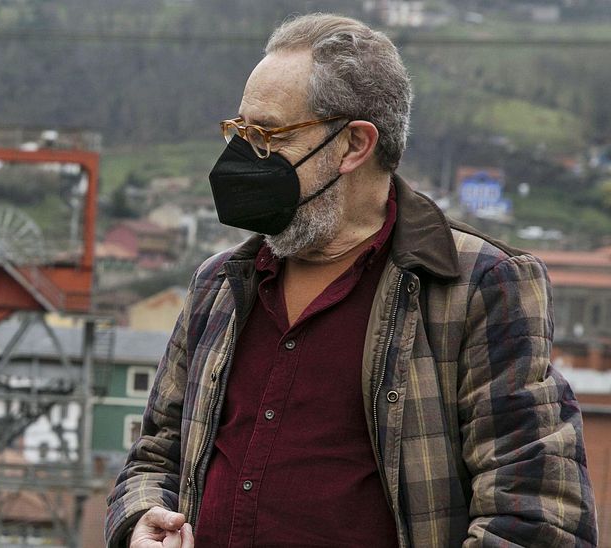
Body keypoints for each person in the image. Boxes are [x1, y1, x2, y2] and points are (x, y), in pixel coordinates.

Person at [106, 13, 597, 548]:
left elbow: (537, 521)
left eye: (267, 134)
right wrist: (141, 519)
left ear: (354, 146)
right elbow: (155, 454)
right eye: (239, 132)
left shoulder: (478, 285)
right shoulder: (219, 284)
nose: (242, 157)